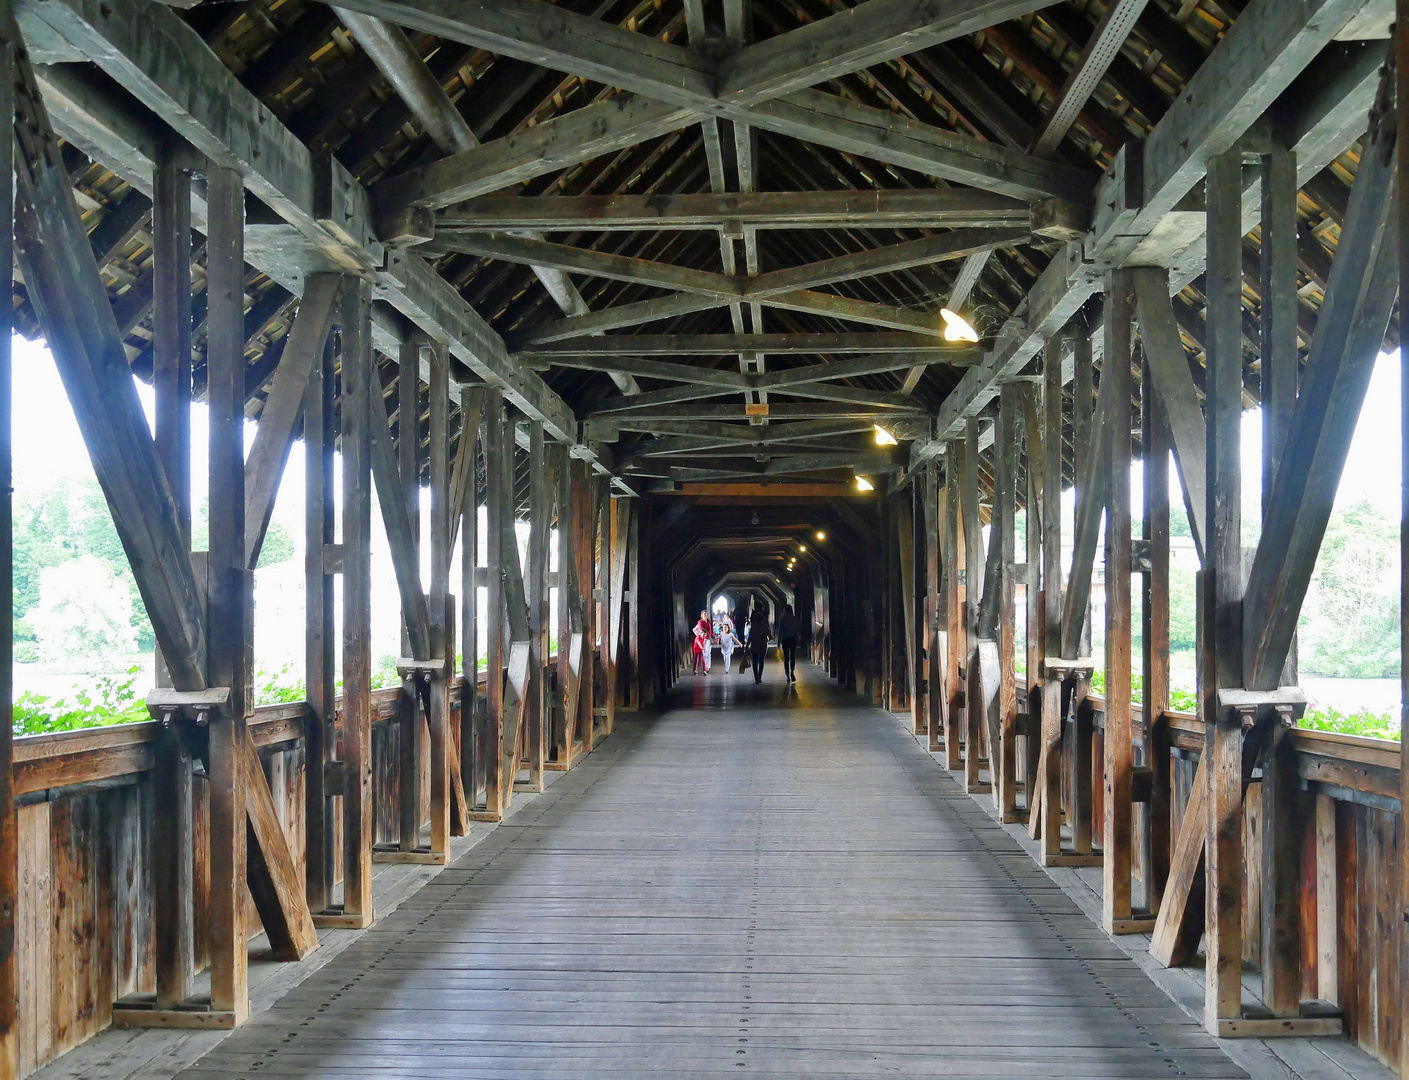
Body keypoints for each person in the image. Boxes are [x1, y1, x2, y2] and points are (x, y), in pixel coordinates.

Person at [777, 603, 800, 682]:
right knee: (792, 657)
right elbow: (798, 629)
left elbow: (780, 632)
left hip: (785, 639)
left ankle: (787, 676)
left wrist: (778, 642)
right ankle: (792, 672)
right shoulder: (795, 619)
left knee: (786, 658)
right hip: (793, 639)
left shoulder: (783, 619)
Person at [748, 606, 771, 684]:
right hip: (762, 646)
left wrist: (746, 645)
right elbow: (770, 637)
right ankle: (760, 677)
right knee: (761, 661)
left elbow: (750, 637)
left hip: (754, 646)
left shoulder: (753, 627)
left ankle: (756, 677)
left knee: (754, 662)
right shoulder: (765, 627)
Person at [692, 609, 711, 674]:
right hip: (701, 642)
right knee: (696, 658)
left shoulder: (708, 621)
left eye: (706, 613)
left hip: (707, 638)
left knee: (707, 653)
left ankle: (706, 668)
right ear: (701, 615)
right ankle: (695, 669)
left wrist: (712, 636)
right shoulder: (700, 622)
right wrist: (704, 635)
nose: (706, 615)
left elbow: (710, 630)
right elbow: (700, 630)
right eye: (704, 614)